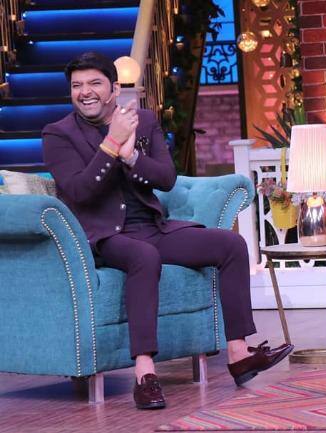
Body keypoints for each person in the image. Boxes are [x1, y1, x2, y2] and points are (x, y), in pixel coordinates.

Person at [42, 52, 293, 410]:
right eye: (77, 85)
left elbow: (166, 178)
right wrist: (112, 144)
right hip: (104, 236)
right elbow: (81, 191)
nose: (85, 92)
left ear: (114, 88)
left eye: (95, 83)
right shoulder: (58, 134)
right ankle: (145, 374)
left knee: (231, 245)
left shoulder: (143, 121)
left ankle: (239, 353)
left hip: (152, 226)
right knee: (144, 257)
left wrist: (132, 157)